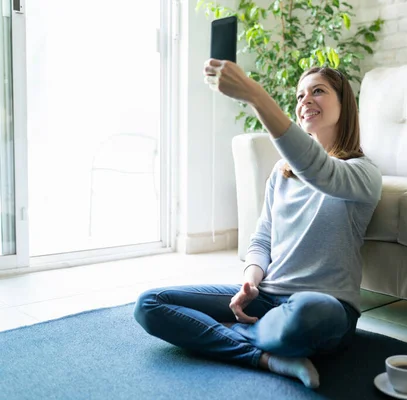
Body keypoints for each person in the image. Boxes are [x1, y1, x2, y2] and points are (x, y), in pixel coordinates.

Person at [133, 59, 382, 389]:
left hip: (324, 307)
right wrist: (250, 283)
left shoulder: (362, 174)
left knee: (308, 310)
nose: (305, 100)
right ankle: (266, 357)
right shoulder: (281, 173)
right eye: (299, 96)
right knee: (150, 304)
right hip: (267, 299)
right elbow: (262, 238)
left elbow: (320, 170)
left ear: (344, 104)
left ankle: (237, 332)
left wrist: (254, 95)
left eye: (318, 92)